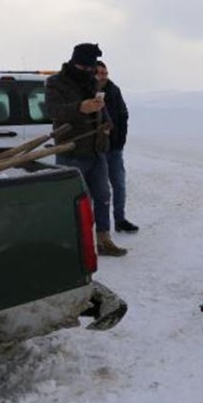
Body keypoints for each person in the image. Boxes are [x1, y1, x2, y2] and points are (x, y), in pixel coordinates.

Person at [45, 43, 127, 257]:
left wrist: (107, 123)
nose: (90, 72)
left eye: (92, 69)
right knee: (74, 200)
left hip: (96, 150)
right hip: (71, 151)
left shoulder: (92, 81)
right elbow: (52, 110)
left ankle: (103, 240)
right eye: (86, 68)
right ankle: (76, 244)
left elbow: (102, 108)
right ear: (76, 62)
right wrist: (80, 108)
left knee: (103, 195)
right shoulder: (55, 83)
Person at [95, 60, 139, 233]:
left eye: (105, 73)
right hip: (96, 150)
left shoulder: (113, 90)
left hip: (114, 148)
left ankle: (120, 220)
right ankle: (97, 226)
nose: (103, 76)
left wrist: (120, 139)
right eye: (100, 73)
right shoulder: (87, 91)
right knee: (100, 190)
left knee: (119, 185)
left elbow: (123, 114)